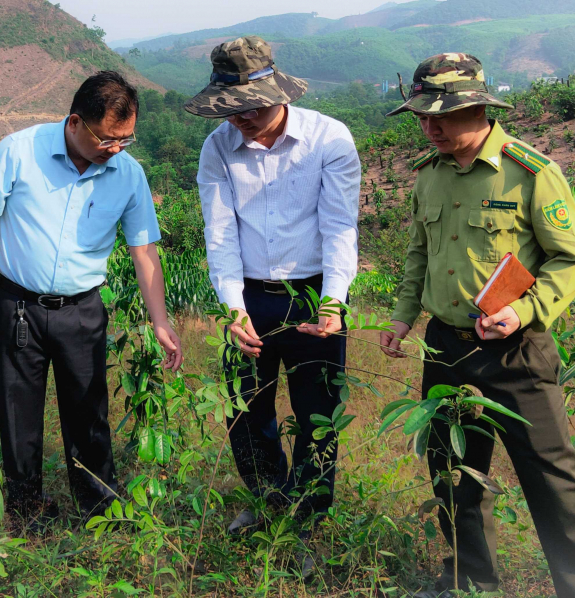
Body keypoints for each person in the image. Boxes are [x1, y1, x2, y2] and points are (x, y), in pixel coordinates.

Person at [380, 53, 575, 598]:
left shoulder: (531, 173)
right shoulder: (430, 177)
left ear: (480, 108)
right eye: (421, 116)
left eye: (441, 114)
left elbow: (573, 260)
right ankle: (470, 582)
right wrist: (401, 319)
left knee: (553, 480)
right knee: (454, 475)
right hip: (445, 349)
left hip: (516, 352)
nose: (430, 126)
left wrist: (525, 310)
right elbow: (418, 254)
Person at [0, 71, 183, 530]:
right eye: (108, 138)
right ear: (76, 121)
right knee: (18, 414)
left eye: (127, 138)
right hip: (17, 306)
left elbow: (144, 250)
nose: (116, 148)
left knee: (89, 413)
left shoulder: (129, 173)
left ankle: (99, 510)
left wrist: (159, 319)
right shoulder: (19, 151)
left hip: (82, 310)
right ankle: (25, 510)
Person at [185, 36, 361, 557]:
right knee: (245, 411)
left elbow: (339, 229)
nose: (241, 117)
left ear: (280, 93)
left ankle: (309, 510)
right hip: (247, 296)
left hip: (312, 296)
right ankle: (266, 499)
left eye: (252, 106)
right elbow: (219, 234)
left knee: (317, 412)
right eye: (230, 108)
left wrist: (333, 304)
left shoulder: (329, 138)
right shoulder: (218, 145)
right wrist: (233, 310)